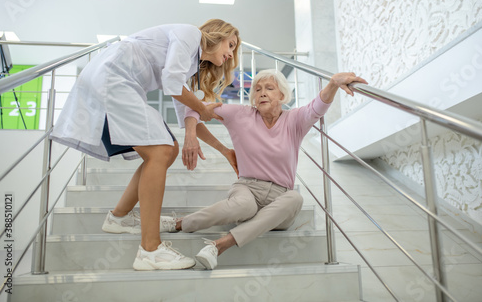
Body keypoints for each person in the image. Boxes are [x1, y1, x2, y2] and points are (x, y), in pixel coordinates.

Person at [50, 19, 241, 270]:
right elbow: (176, 88)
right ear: (218, 35)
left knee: (167, 150)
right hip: (113, 75)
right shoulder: (190, 35)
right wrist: (201, 108)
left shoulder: (189, 63)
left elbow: (186, 112)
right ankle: (150, 250)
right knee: (161, 150)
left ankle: (119, 217)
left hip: (119, 79)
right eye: (231, 44)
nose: (231, 54)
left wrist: (225, 150)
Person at [172, 69, 367, 269]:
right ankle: (178, 224)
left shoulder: (295, 120)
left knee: (295, 198)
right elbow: (192, 107)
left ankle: (219, 245)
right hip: (247, 188)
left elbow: (319, 106)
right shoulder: (240, 114)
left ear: (282, 96)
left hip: (280, 197)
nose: (262, 93)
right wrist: (191, 135)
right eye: (257, 90)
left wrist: (334, 83)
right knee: (244, 206)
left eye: (269, 88)